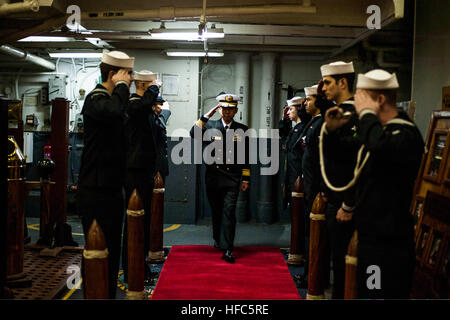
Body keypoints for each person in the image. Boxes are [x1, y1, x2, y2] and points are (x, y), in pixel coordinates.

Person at [351, 69, 424, 298]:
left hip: (389, 241)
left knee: (379, 294)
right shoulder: (383, 133)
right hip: (374, 235)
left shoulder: (404, 133)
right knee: (370, 292)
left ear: (380, 100)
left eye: (361, 99)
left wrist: (367, 115)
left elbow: (381, 148)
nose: (357, 106)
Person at [77, 50, 134, 299]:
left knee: (111, 249)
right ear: (113, 74)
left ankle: (107, 294)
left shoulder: (111, 100)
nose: (129, 81)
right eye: (126, 75)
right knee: (96, 250)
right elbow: (113, 112)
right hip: (95, 190)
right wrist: (121, 87)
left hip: (110, 187)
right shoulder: (96, 99)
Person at [318, 61, 361, 299]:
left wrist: (348, 204)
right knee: (339, 261)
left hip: (346, 204)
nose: (323, 88)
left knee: (346, 265)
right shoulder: (339, 112)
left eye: (327, 83)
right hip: (336, 199)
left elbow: (356, 164)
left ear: (343, 83)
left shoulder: (352, 116)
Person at [190, 93, 250, 263]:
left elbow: (246, 156)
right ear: (219, 109)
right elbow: (193, 133)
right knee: (217, 211)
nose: (227, 112)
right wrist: (206, 115)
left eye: (230, 109)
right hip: (213, 178)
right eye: (224, 108)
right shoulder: (210, 125)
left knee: (229, 211)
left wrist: (245, 179)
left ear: (236, 110)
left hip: (232, 178)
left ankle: (228, 248)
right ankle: (218, 239)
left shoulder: (243, 129)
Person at [121, 70, 168, 285]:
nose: (156, 87)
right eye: (152, 84)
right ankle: (134, 271)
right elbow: (141, 105)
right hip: (135, 173)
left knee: (143, 223)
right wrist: (154, 87)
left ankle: (141, 267)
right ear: (143, 86)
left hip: (144, 171)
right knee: (135, 223)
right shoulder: (134, 105)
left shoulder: (144, 109)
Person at [293, 84, 333, 288]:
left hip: (317, 190)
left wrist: (321, 191)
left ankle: (316, 277)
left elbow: (324, 160)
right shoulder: (313, 123)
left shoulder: (322, 124)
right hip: (310, 188)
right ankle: (311, 274)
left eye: (309, 100)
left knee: (318, 238)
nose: (305, 103)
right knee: (312, 235)